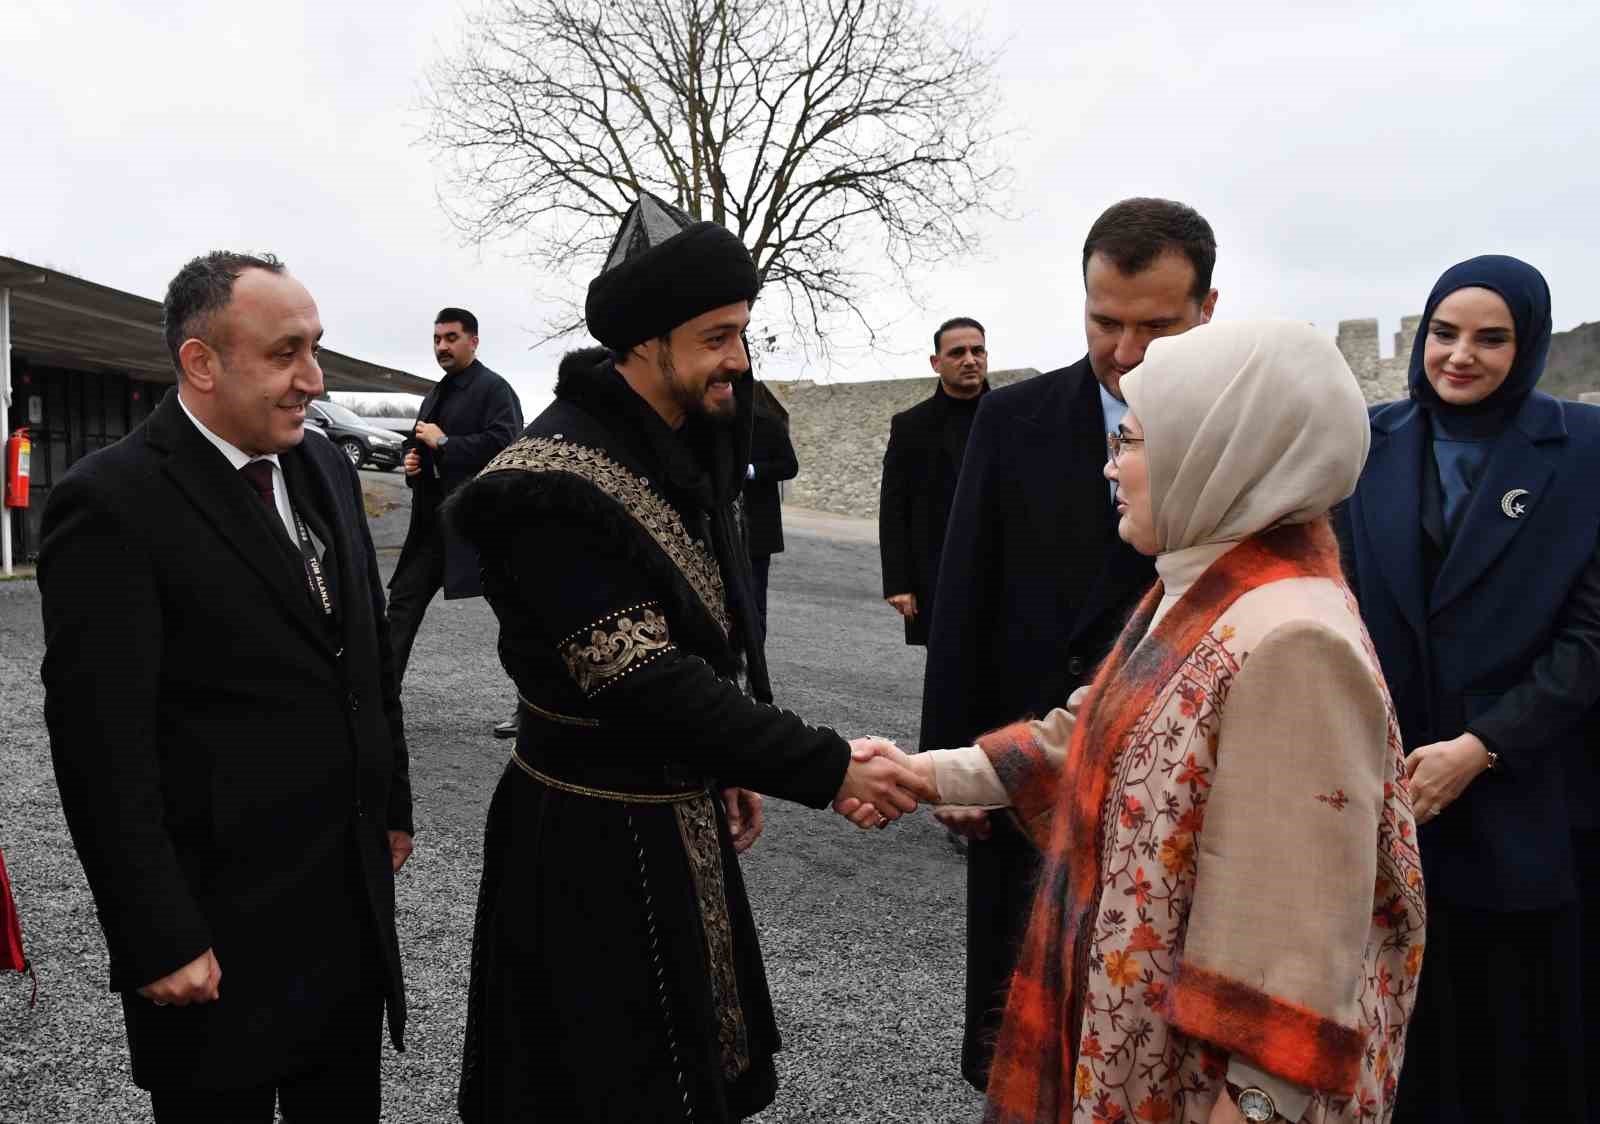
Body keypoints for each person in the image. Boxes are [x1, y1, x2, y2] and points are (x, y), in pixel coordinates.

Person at [852, 320, 1424, 1123]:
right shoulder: (1207, 588)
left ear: (1216, 451)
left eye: (1133, 441)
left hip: (1192, 1085)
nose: (1109, 464)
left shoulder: (1294, 638)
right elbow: (1091, 735)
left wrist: (1253, 1108)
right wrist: (922, 772)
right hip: (1143, 1044)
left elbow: (1299, 941)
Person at [448, 193, 936, 1123]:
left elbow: (700, 642)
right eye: (717, 337)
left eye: (743, 333)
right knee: (603, 1089)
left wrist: (723, 769)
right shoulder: (544, 486)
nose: (739, 361)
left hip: (678, 812)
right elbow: (646, 681)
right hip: (588, 846)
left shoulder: (672, 446)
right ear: (643, 342)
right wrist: (829, 767)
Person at [38, 252, 413, 1122]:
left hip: (345, 919)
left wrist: (390, 800)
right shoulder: (113, 503)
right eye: (286, 354)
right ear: (201, 363)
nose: (313, 381)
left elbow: (363, 652)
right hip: (216, 940)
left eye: (316, 350)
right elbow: (101, 748)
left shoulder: (321, 468)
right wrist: (156, 935)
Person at [921, 198, 1218, 1089]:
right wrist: (953, 759)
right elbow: (963, 597)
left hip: (1182, 779)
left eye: (1156, 326)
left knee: (1150, 1027)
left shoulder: (1243, 430)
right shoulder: (1011, 422)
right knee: (1028, 1024)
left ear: (1208, 309)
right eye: (1105, 321)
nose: (1125, 353)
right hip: (1032, 764)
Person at [1334, 256, 1600, 1122]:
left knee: (1520, 1049)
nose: (1460, 356)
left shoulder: (1585, 450)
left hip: (1526, 798)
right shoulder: (1367, 440)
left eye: (1492, 339)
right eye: (1445, 333)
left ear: (1527, 347)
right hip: (1389, 794)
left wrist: (1483, 747)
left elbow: (1590, 640)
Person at [386, 307, 523, 736]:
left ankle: (535, 706)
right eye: (437, 339)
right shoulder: (437, 393)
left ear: (473, 341)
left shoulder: (494, 390)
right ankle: (377, 700)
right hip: (431, 526)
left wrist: (444, 442)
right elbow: (427, 453)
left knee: (517, 616)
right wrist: (415, 465)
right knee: (402, 607)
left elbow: (506, 447)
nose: (442, 346)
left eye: (451, 338)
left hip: (481, 526)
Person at [878, 316, 990, 647]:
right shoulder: (911, 426)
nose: (970, 360)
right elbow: (894, 507)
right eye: (957, 353)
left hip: (1004, 575)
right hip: (938, 574)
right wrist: (899, 582)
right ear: (936, 363)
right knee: (948, 680)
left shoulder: (1015, 417)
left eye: (978, 350)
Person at [741, 401, 798, 639]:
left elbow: (789, 466)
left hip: (756, 527)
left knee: (754, 602)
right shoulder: (706, 417)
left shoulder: (768, 422)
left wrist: (753, 471)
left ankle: (757, 669)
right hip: (716, 525)